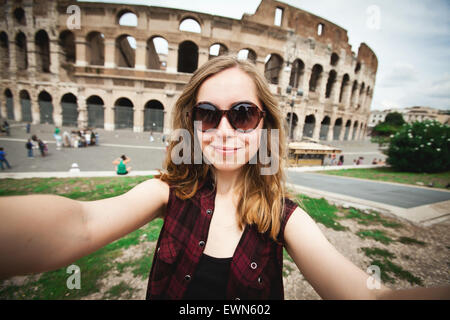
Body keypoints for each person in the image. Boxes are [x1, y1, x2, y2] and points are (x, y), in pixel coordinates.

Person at [0, 55, 449, 300]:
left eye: (243, 114)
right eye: (208, 115)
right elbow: (80, 224)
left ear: (265, 126)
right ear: (193, 126)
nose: (226, 130)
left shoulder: (283, 218)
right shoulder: (169, 193)